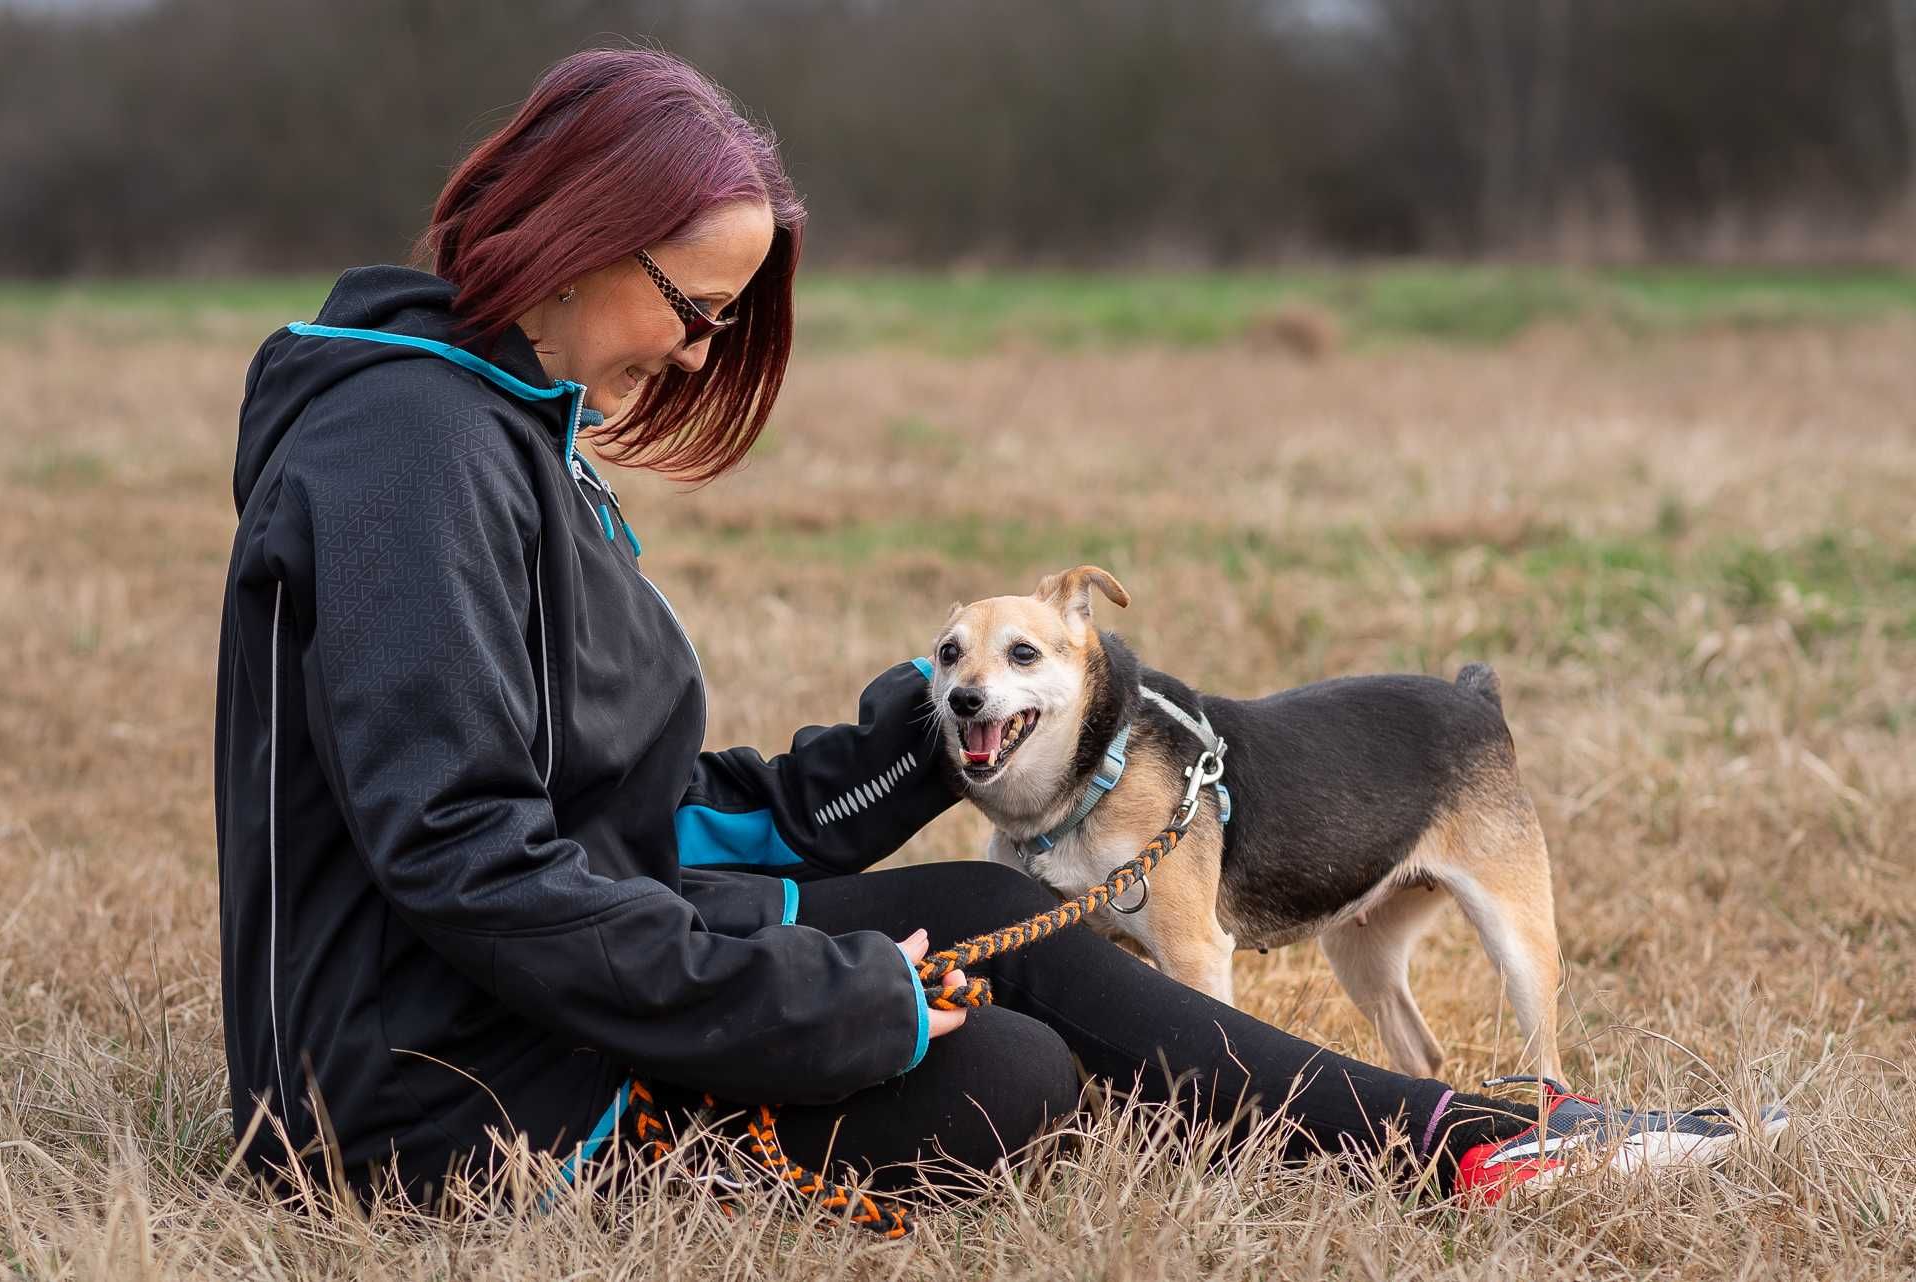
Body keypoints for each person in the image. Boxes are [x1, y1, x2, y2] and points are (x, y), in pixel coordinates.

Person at [213, 47, 1783, 1216]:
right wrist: (823, 1002)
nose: (699, 356)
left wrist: (932, 732)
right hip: (417, 1094)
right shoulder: (408, 457)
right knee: (1001, 1080)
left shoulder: (502, 428)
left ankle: (1476, 1142)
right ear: (575, 230)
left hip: (532, 982)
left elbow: (639, 812)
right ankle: (1471, 1141)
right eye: (695, 307)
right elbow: (471, 859)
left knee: (975, 897)